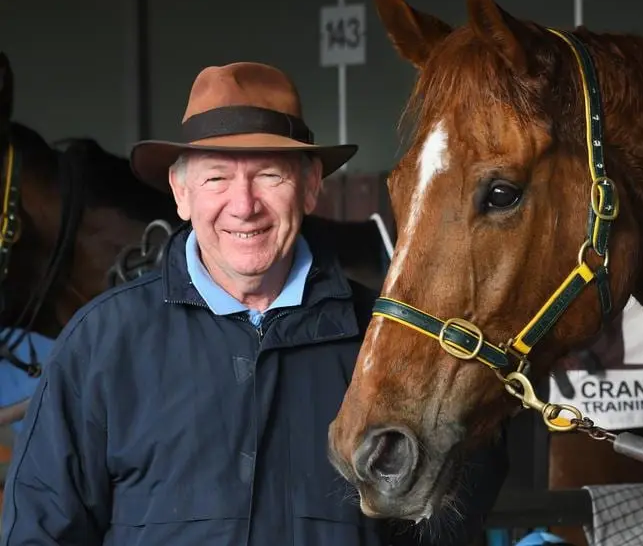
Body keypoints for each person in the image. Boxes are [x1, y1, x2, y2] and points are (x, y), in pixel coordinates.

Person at [0, 62, 508, 545]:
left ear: (310, 186)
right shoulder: (100, 345)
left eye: (269, 174)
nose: (243, 205)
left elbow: (442, 527)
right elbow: (40, 532)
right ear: (181, 192)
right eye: (217, 176)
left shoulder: (384, 346)